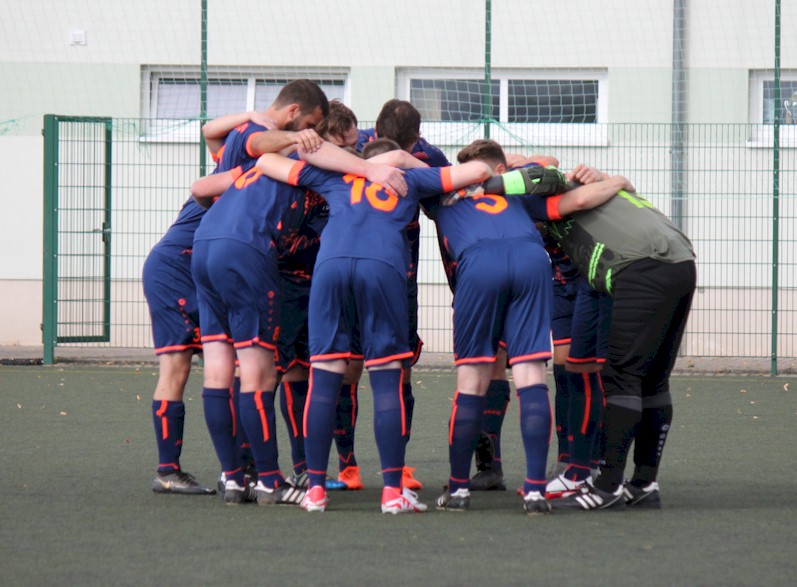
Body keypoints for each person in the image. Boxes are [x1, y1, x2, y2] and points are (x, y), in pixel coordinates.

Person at [256, 138, 492, 513]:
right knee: (386, 379)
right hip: (380, 267)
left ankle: (315, 491)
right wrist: (408, 164)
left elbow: (267, 160)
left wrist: (360, 167)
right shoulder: (409, 180)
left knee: (324, 377)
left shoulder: (336, 179)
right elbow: (480, 171)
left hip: (330, 265)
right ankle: (391, 493)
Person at [484, 164, 695, 510]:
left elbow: (543, 183)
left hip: (640, 266)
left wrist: (482, 186)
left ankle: (607, 486)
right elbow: (620, 183)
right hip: (681, 260)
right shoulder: (601, 190)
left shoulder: (542, 198)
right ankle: (643, 483)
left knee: (621, 378)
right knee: (654, 380)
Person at [190, 81, 331, 505]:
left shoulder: (248, 155)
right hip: (246, 252)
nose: (315, 136)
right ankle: (270, 480)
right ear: (295, 116)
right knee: (259, 372)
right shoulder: (271, 140)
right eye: (312, 127)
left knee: (219, 367)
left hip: (205, 245)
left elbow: (201, 185)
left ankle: (234, 478)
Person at [420, 139, 559, 514]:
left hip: (479, 264)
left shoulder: (441, 188)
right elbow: (548, 163)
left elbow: (405, 172)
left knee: (471, 380)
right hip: (532, 259)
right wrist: (508, 167)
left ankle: (459, 490)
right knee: (531, 373)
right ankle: (534, 491)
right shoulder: (514, 186)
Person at [143, 111, 272, 496]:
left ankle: (237, 466)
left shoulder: (236, 167)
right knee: (181, 365)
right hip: (175, 268)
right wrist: (253, 115)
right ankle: (170, 471)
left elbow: (210, 131)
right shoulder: (237, 173)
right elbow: (209, 131)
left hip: (202, 272)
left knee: (232, 363)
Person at [332, 99, 452, 492]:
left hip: (380, 268)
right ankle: (366, 468)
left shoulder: (418, 155)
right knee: (382, 368)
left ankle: (357, 467)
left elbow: (443, 198)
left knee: (366, 367)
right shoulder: (361, 148)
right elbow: (453, 194)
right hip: (388, 270)